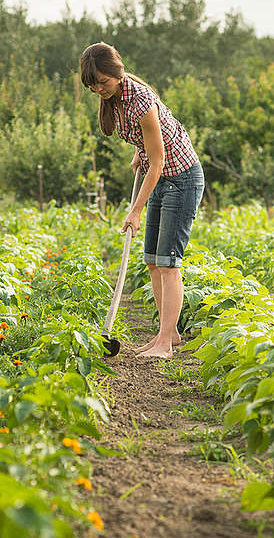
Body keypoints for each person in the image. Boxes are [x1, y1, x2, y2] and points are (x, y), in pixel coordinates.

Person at [79, 42, 204, 359]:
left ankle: (164, 344)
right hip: (159, 177)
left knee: (168, 262)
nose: (98, 89)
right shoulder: (116, 99)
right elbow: (150, 138)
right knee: (152, 260)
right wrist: (140, 150)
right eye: (93, 85)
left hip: (181, 178)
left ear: (116, 73)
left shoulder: (141, 100)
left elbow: (160, 158)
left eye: (102, 82)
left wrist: (135, 211)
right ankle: (169, 334)